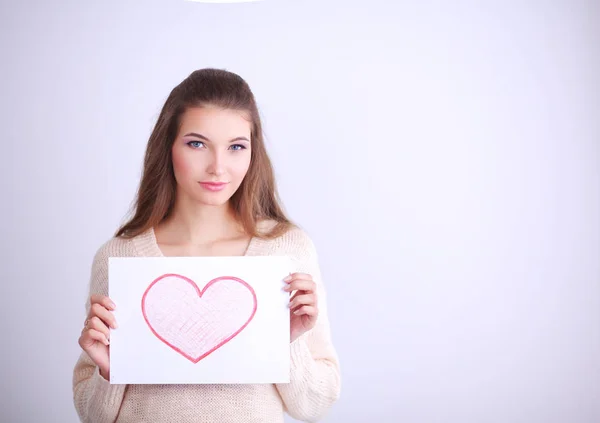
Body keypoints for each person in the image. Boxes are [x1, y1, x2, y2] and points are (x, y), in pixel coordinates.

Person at [72, 68, 340, 423]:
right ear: (168, 146)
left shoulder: (286, 250)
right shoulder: (120, 257)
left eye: (236, 147)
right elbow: (94, 417)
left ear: (252, 152)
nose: (218, 167)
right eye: (197, 143)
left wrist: (286, 343)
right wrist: (109, 371)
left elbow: (314, 407)